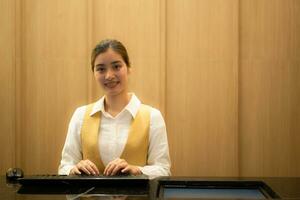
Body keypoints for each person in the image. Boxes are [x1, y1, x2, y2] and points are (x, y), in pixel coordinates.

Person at [58, 39, 171, 178]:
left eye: (116, 66)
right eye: (100, 69)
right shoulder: (80, 115)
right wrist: (74, 169)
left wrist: (137, 170)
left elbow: (163, 170)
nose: (109, 76)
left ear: (129, 68)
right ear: (93, 73)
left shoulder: (153, 117)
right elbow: (64, 166)